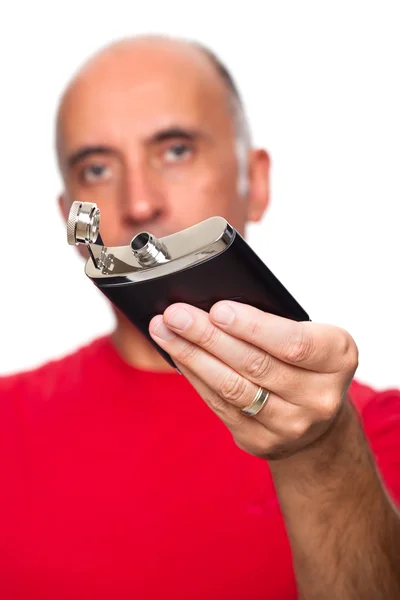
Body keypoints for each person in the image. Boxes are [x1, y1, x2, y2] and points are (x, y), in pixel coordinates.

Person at [1, 35, 399, 600]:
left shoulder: (382, 433)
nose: (139, 203)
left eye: (176, 150)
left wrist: (323, 455)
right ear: (70, 217)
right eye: (96, 167)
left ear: (255, 182)